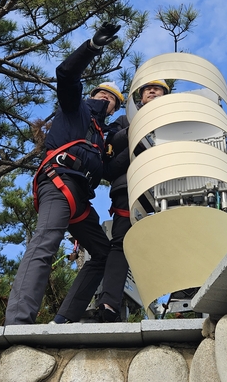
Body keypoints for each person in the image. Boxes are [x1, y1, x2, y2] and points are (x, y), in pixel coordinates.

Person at [5, 23, 123, 325]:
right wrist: (92, 47)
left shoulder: (100, 139)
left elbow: (109, 170)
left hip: (80, 196)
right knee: (45, 243)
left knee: (103, 252)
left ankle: (64, 320)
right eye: (105, 96)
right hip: (59, 182)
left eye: (114, 101)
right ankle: (17, 323)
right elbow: (67, 75)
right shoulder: (76, 110)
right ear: (95, 94)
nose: (109, 102)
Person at [95, 79, 170, 322]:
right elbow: (111, 145)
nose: (152, 91)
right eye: (148, 88)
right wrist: (141, 134)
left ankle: (187, 295)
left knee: (179, 235)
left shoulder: (175, 118)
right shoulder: (127, 120)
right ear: (141, 95)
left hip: (171, 184)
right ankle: (109, 304)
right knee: (121, 243)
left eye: (157, 88)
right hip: (131, 187)